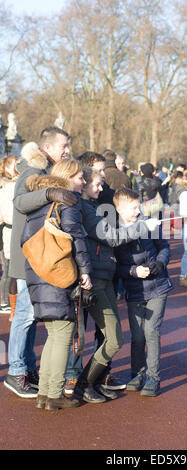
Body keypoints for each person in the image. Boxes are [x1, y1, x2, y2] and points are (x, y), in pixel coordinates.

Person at [71, 168, 160, 403]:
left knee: (112, 337)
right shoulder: (84, 207)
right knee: (113, 339)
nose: (101, 188)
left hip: (105, 275)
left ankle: (93, 383)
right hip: (96, 278)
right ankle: (83, 385)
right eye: (97, 183)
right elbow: (110, 237)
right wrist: (142, 227)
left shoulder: (92, 206)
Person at [5, 127, 77, 399]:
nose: (66, 150)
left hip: (37, 255)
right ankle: (16, 371)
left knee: (31, 316)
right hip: (29, 256)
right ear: (47, 147)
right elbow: (21, 202)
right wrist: (49, 194)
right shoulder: (33, 171)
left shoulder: (45, 170)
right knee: (24, 316)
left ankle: (26, 367)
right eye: (63, 146)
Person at [20, 159, 92, 410]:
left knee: (54, 335)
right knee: (62, 335)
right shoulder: (67, 203)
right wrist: (85, 271)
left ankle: (45, 394)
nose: (84, 182)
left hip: (38, 274)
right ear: (68, 178)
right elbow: (78, 240)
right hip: (58, 274)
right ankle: (52, 395)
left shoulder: (38, 203)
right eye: (81, 177)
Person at [114, 188, 173, 397]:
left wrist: (160, 263)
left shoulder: (150, 223)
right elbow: (115, 267)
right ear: (119, 208)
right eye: (133, 208)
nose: (138, 211)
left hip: (158, 287)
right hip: (134, 290)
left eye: (138, 206)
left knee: (151, 332)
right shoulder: (115, 232)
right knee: (137, 336)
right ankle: (136, 373)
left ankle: (153, 377)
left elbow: (165, 247)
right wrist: (132, 271)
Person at [0, 155, 19, 314]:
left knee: (12, 270)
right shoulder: (6, 188)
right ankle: (7, 302)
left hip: (10, 229)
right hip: (9, 230)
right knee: (9, 270)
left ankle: (11, 304)